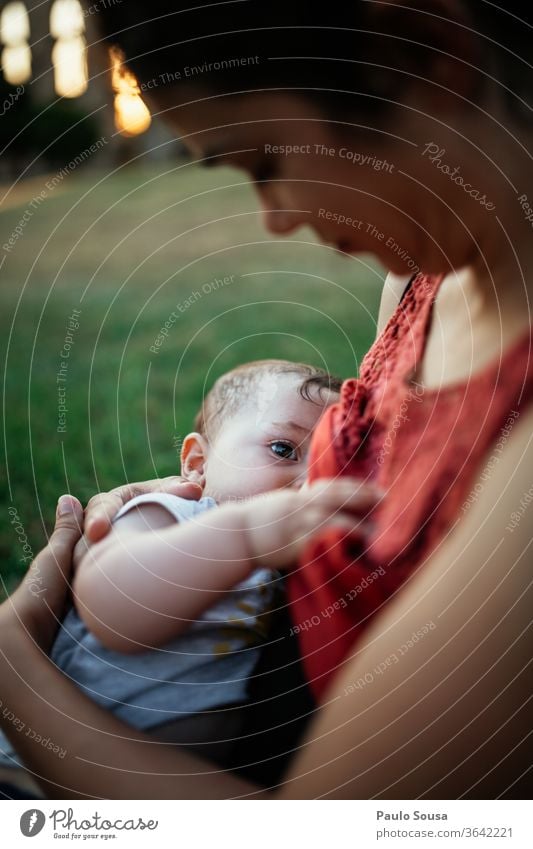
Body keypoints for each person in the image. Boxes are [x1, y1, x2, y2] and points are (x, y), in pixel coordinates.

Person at [0, 0, 531, 799]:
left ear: (421, 54)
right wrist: (197, 524)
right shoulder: (420, 281)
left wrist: (13, 668)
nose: (276, 220)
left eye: (262, 162)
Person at [0, 359, 350, 794]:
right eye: (284, 449)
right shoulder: (171, 516)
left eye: (333, 468)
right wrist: (244, 534)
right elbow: (113, 607)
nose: (307, 484)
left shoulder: (276, 574)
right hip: (27, 775)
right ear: (198, 463)